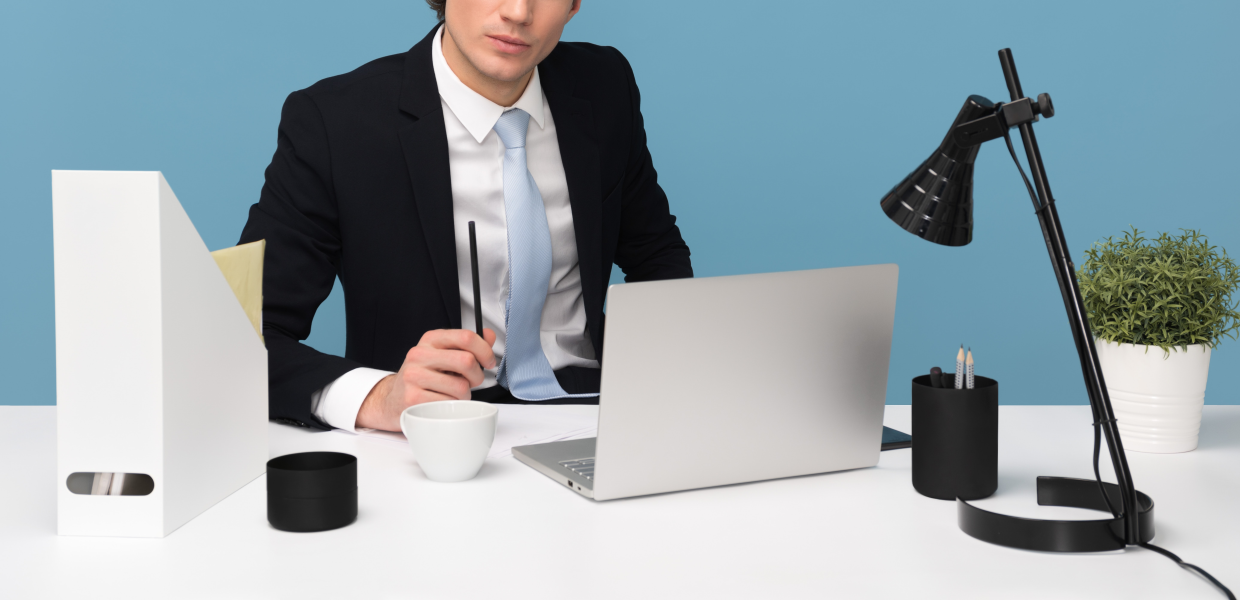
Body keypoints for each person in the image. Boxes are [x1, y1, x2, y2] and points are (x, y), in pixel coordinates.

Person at [239, 0, 692, 433]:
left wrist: (656, 378)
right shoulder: (334, 123)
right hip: (432, 431)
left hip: (601, 412)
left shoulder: (604, 85)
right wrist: (380, 396)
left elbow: (657, 255)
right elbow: (243, 336)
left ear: (575, 6)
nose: (518, 12)